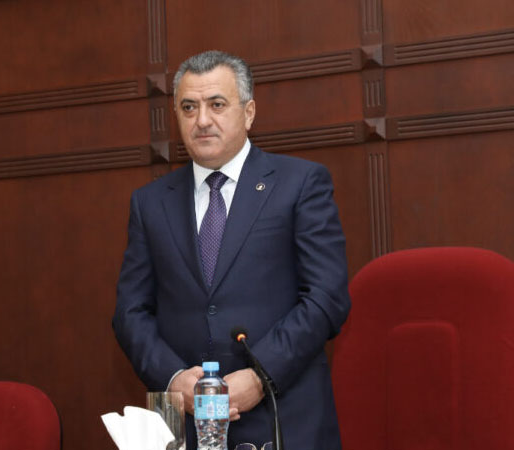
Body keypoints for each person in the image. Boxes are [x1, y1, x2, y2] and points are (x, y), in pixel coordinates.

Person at [113, 50, 350, 450]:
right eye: (189, 107)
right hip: (183, 422)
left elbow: (327, 298)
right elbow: (130, 313)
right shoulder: (150, 202)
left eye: (217, 104)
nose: (202, 120)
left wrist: (261, 375)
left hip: (281, 413)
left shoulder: (301, 183)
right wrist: (172, 378)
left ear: (249, 112)